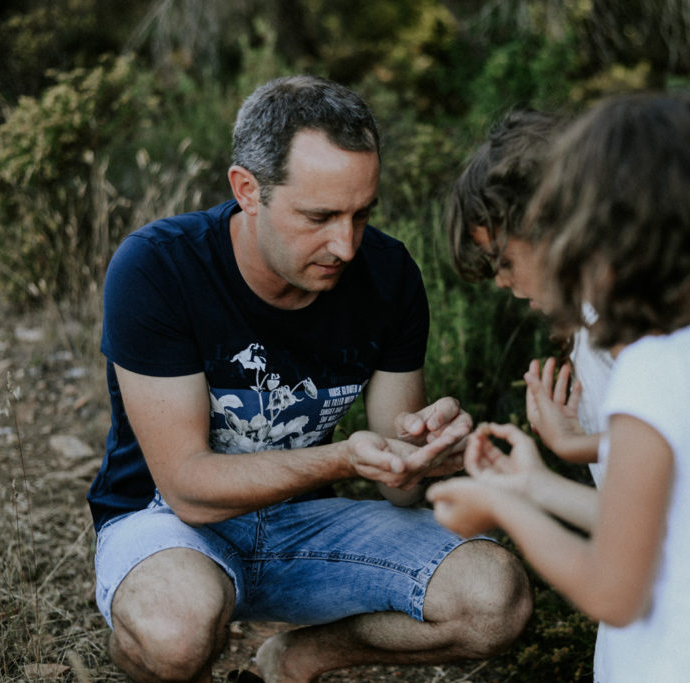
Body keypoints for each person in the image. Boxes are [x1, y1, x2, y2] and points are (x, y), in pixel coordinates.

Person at [87, 74, 532, 683]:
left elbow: (400, 486)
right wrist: (346, 459)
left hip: (303, 523)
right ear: (247, 190)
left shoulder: (389, 275)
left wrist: (430, 453)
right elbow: (188, 486)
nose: (346, 245)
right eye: (319, 216)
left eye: (362, 213)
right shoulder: (159, 268)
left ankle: (298, 659)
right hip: (166, 518)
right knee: (173, 632)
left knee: (494, 600)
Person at [428, 92, 690, 681]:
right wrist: (537, 484)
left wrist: (504, 507)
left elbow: (616, 592)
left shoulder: (653, 375)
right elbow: (674, 527)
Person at [446, 109, 614, 483]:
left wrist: (571, 444)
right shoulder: (589, 320)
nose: (501, 282)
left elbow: (674, 439)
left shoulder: (621, 316)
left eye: (504, 261)